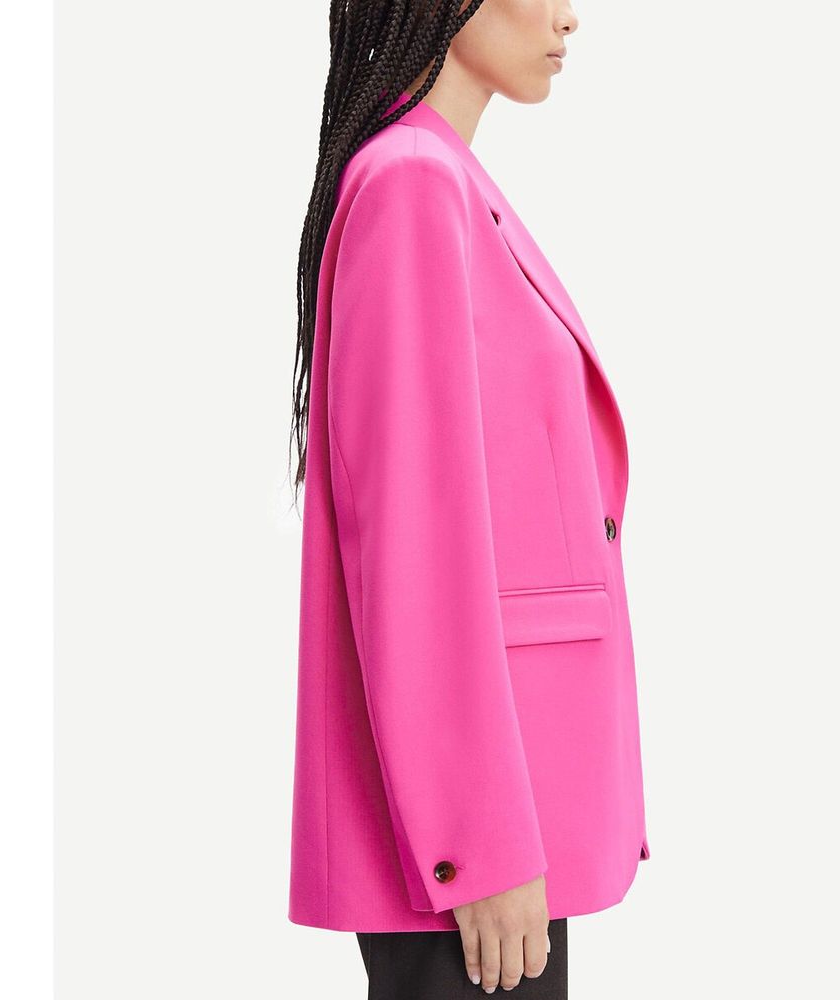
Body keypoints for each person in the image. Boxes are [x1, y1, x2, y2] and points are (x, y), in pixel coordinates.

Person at [286, 2, 649, 996]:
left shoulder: (442, 177)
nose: (570, 17)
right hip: (469, 847)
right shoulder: (412, 183)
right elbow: (414, 545)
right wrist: (476, 842)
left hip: (508, 817)